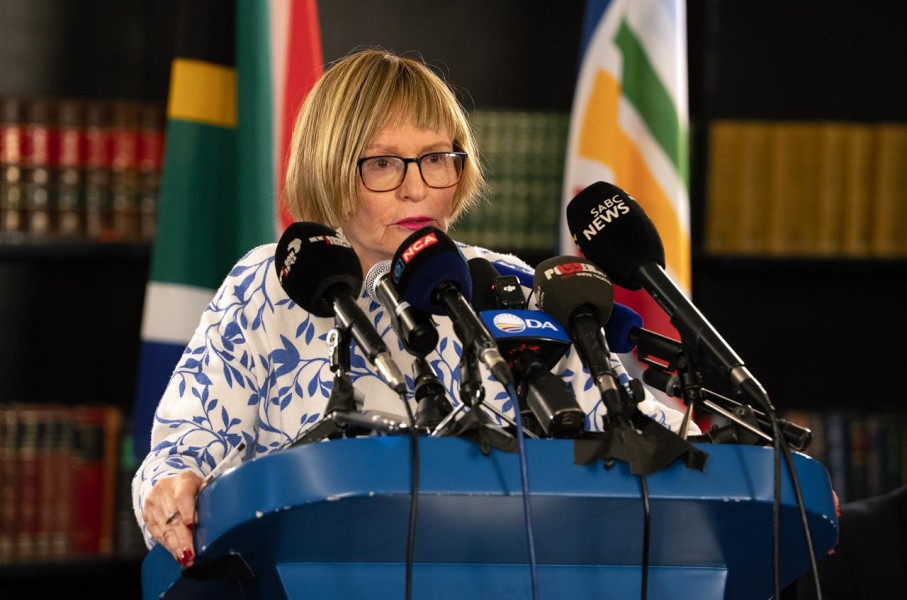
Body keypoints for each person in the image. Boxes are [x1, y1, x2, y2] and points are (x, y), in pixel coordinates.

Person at [132, 47, 698, 569]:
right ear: (330, 163)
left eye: (436, 158)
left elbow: (642, 430)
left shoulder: (509, 284)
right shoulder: (270, 284)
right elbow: (179, 452)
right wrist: (172, 486)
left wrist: (697, 447)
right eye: (382, 163)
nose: (416, 189)